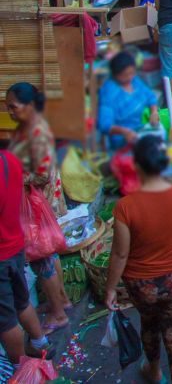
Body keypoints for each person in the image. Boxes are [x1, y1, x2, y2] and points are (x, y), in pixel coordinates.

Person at [104, 135, 172, 384]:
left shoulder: (125, 207)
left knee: (149, 323)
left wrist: (111, 288)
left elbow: (120, 253)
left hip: (141, 284)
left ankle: (154, 372)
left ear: (136, 166)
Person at [5, 83, 70, 334]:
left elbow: (41, 175)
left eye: (13, 106)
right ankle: (61, 301)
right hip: (38, 202)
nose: (9, 111)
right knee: (48, 255)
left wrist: (15, 178)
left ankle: (58, 314)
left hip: (36, 204)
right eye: (7, 107)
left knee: (41, 257)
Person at [0, 150, 52, 363]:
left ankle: (22, 370)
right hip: (15, 243)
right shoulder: (9, 159)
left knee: (5, 320)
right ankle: (41, 344)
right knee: (22, 301)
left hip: (2, 253)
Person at [98, 52, 160, 150]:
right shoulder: (109, 92)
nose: (129, 77)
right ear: (115, 74)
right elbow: (104, 125)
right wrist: (124, 132)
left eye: (132, 73)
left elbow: (150, 96)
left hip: (140, 130)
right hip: (121, 140)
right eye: (125, 75)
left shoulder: (134, 81)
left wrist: (154, 112)